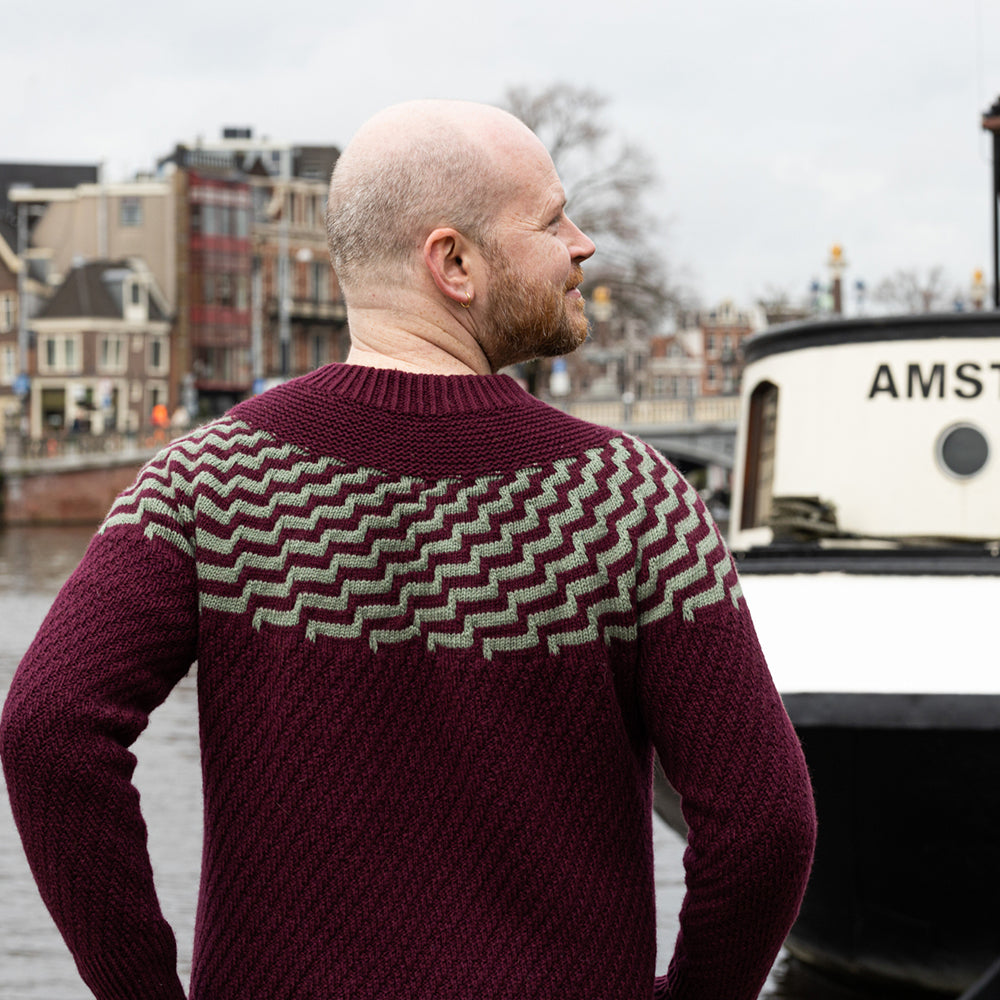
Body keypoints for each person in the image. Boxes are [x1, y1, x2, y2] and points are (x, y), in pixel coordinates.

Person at [1, 100, 815, 1000]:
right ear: (453, 263)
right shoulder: (627, 497)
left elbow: (49, 728)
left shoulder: (207, 480)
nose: (582, 245)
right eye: (552, 221)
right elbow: (765, 825)